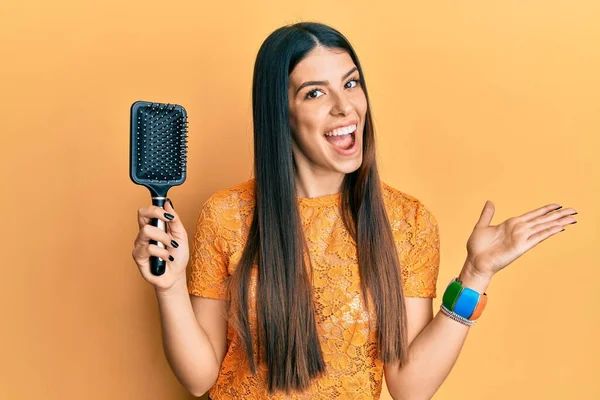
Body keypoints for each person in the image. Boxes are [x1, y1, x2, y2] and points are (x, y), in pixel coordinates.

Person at [131, 22, 578, 399]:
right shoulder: (227, 215)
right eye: (314, 94)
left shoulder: (408, 222)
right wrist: (168, 287)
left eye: (350, 83)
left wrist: (477, 273)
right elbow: (199, 378)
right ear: (280, 113)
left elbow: (409, 386)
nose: (345, 107)